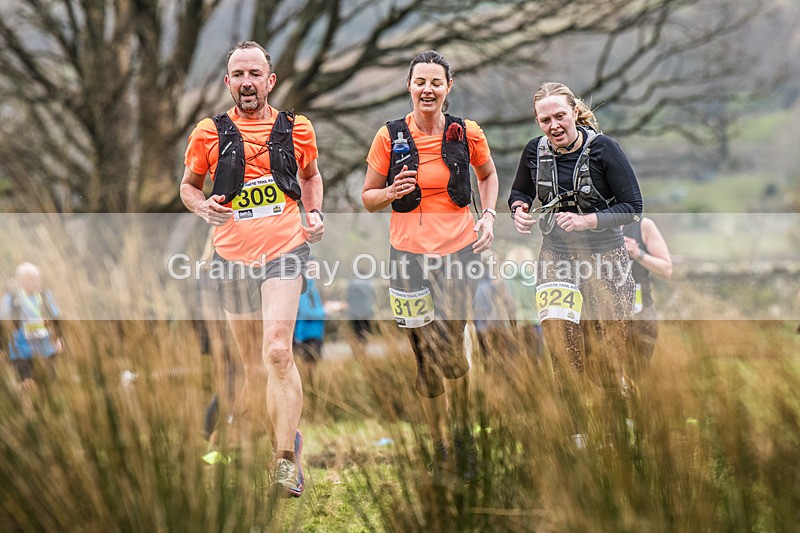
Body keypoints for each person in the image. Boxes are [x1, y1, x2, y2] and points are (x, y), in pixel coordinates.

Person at [179, 41, 324, 497]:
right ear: (228, 82)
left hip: (285, 251)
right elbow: (188, 186)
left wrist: (314, 212)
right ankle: (287, 435)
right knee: (251, 367)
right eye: (238, 74)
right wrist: (202, 207)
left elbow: (311, 176)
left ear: (270, 80)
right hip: (231, 259)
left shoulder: (296, 128)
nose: (246, 82)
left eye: (254, 73)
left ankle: (284, 462)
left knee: (278, 351)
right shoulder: (208, 132)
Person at [362, 50, 499, 476]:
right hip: (407, 257)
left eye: (436, 82)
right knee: (424, 356)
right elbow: (367, 198)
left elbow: (488, 176)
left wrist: (489, 216)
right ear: (409, 86)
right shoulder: (388, 137)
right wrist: (388, 192)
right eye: (420, 81)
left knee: (452, 349)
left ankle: (463, 439)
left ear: (448, 88)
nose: (427, 89)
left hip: (459, 252)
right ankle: (438, 446)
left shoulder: (466, 132)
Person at [509, 81, 643, 447]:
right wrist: (519, 211)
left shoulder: (604, 149)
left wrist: (588, 220)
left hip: (606, 259)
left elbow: (633, 207)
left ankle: (622, 435)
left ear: (574, 113)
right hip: (557, 258)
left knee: (605, 358)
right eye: (544, 119)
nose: (553, 125)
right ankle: (577, 437)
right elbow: (519, 191)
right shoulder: (534, 152)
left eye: (559, 116)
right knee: (562, 350)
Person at [0, 263, 63, 391]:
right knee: (27, 387)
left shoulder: (46, 296)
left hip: (46, 350)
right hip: (21, 352)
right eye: (34, 278)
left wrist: (59, 339)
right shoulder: (10, 300)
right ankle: (26, 409)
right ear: (22, 281)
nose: (39, 281)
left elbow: (56, 319)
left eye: (39, 278)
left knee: (46, 387)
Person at [622, 217, 673, 363]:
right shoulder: (590, 225)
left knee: (637, 375)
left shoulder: (642, 225)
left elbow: (666, 269)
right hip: (602, 316)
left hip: (640, 315)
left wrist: (638, 253)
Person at [503, 246, 545, 362]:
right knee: (536, 362)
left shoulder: (505, 280)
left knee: (515, 365)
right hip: (534, 324)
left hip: (513, 327)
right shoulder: (536, 279)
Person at [293, 268, 326, 365]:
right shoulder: (303, 288)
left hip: (317, 332)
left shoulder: (314, 288)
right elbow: (306, 313)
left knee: (315, 366)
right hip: (307, 334)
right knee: (308, 366)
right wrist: (325, 311)